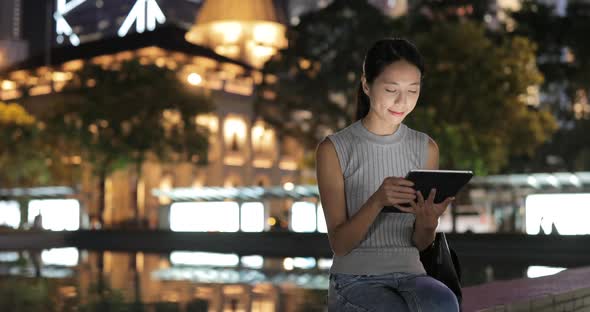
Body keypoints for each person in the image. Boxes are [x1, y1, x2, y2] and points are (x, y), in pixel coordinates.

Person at [316, 38, 460, 311]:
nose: (402, 101)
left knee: (444, 302)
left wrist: (428, 221)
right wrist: (377, 201)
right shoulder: (334, 149)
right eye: (391, 89)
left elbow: (420, 243)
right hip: (354, 279)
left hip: (412, 274)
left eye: (413, 90)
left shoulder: (425, 147)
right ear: (366, 84)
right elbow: (340, 244)